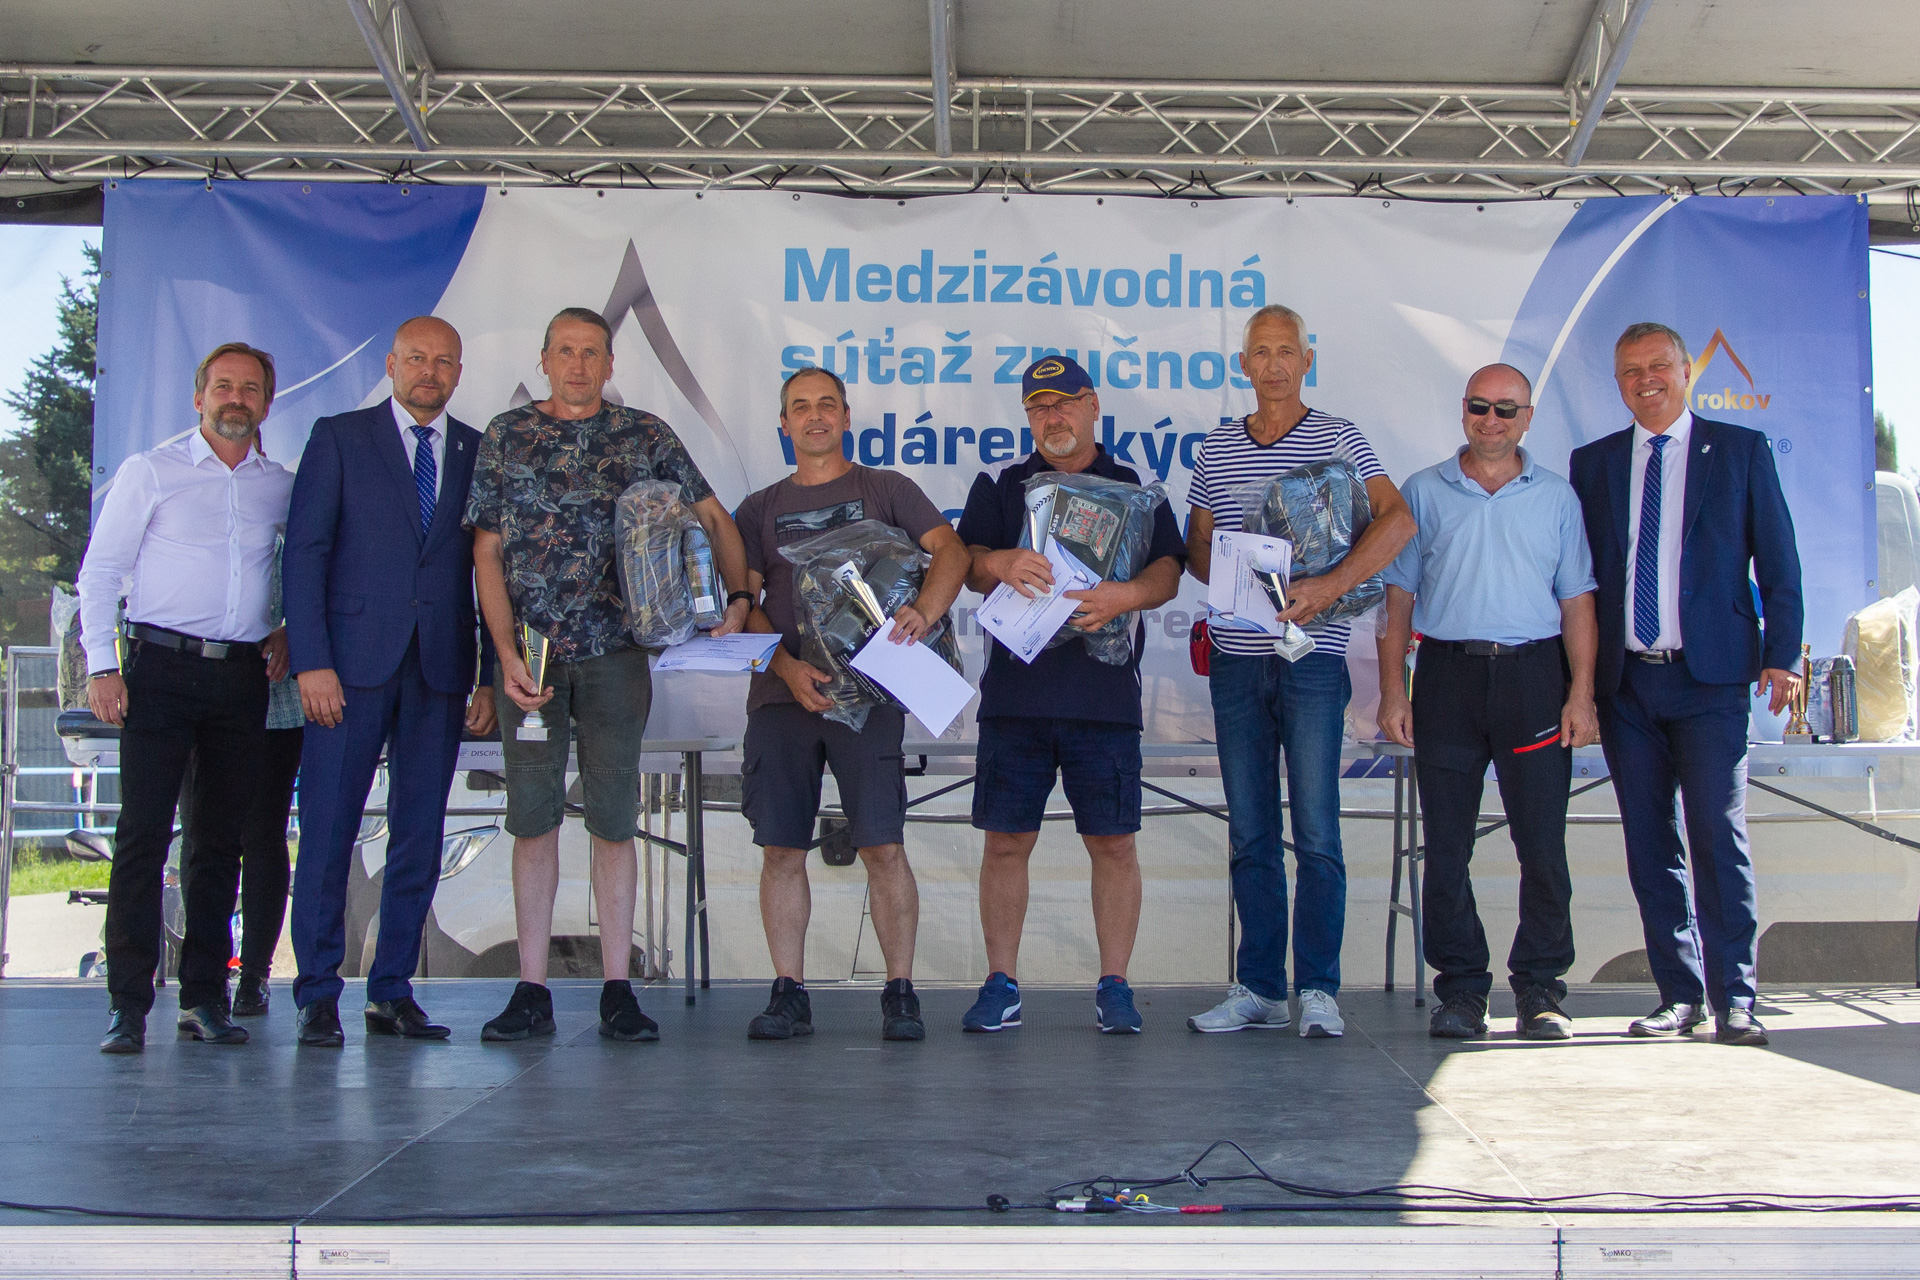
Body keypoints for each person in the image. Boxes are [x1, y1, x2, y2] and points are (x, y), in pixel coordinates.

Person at [466, 307, 750, 1044]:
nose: (578, 365)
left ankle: (618, 989)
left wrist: (738, 596)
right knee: (533, 820)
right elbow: (486, 552)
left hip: (617, 655)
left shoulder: (645, 435)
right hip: (530, 659)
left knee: (615, 820)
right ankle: (531, 989)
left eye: (591, 352)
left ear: (610, 363)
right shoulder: (507, 434)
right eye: (565, 351)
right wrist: (503, 653)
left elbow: (714, 517)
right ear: (544, 359)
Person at [1183, 304, 1415, 1039]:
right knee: (1251, 830)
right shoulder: (1217, 448)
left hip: (1313, 662)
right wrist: (1236, 575)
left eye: (1287, 351)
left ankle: (1318, 989)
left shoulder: (1339, 437)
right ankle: (1259, 988)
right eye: (1261, 352)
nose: (1274, 364)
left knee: (1316, 830)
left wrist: (1331, 584)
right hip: (1236, 662)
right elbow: (1196, 547)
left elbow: (1399, 520)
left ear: (1307, 361)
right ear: (1242, 365)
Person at [1569, 322, 1802, 1047]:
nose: (1647, 380)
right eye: (1631, 370)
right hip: (1627, 686)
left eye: (1659, 366)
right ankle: (1680, 995)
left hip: (1711, 682)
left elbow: (1780, 563)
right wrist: (1578, 685)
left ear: (1685, 371)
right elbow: (1580, 581)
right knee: (1649, 844)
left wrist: (1782, 655)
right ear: (1618, 382)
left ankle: (1738, 998)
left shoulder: (1739, 451)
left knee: (1716, 837)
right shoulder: (1593, 463)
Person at [733, 367, 969, 1042]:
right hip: (783, 698)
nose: (815, 416)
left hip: (870, 698)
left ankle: (900, 993)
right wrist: (786, 667)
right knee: (781, 848)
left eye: (826, 405)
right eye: (800, 407)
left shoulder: (886, 489)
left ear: (844, 416)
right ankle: (789, 993)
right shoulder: (758, 508)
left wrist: (926, 610)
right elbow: (745, 603)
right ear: (783, 424)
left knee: (883, 845)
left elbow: (951, 552)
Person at [282, 316, 498, 1048]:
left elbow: (490, 571)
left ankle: (392, 992)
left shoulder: (475, 450)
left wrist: (488, 675)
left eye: (444, 361)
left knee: (419, 834)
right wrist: (312, 661)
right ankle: (317, 994)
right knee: (329, 833)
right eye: (417, 358)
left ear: (458, 371)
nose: (429, 372)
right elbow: (304, 553)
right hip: (346, 670)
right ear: (391, 364)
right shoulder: (340, 438)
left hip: (440, 670)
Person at [957, 355, 1186, 1034]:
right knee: (1005, 842)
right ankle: (1001, 982)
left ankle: (1115, 985)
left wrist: (1126, 595)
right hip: (1015, 698)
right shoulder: (1003, 486)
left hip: (1103, 699)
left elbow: (1169, 572)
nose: (1052, 417)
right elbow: (965, 563)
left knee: (1113, 844)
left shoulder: (1132, 488)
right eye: (1038, 407)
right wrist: (998, 561)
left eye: (1063, 403)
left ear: (1092, 406)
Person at [78, 342, 294, 1054]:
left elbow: (306, 564)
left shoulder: (280, 485)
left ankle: (204, 998)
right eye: (223, 386)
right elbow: (100, 573)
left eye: (250, 389)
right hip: (159, 672)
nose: (236, 399)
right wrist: (102, 666)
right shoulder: (152, 471)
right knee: (143, 836)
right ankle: (127, 1005)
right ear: (199, 397)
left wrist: (290, 627)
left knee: (219, 845)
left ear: (267, 403)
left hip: (241, 680)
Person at [1376, 365, 1599, 1041]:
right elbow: (1397, 601)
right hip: (1446, 679)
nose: (1491, 420)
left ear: (1527, 418)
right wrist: (1393, 691)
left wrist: (1581, 694)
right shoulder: (1423, 490)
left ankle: (1541, 988)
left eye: (1506, 409)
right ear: (1463, 411)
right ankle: (1462, 989)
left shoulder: (1556, 497)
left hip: (1535, 680)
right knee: (1446, 847)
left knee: (1543, 844)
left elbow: (1577, 602)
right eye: (1480, 406)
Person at [176, 538, 305, 1020]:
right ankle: (205, 976)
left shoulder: (282, 510)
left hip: (275, 695)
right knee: (201, 835)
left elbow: (320, 576)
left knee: (263, 834)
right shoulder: (185, 512)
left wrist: (294, 630)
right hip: (198, 689)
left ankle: (254, 975)